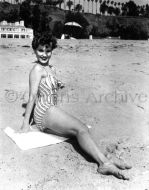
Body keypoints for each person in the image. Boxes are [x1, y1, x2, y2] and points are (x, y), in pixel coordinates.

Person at [21, 32, 131, 180]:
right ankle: (104, 163)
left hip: (52, 110)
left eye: (48, 50)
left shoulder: (52, 69)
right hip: (43, 112)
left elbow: (51, 87)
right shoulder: (36, 70)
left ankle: (106, 156)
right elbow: (32, 96)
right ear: (34, 50)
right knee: (81, 129)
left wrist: (57, 85)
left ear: (52, 50)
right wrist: (25, 124)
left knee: (81, 130)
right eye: (40, 50)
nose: (44, 54)